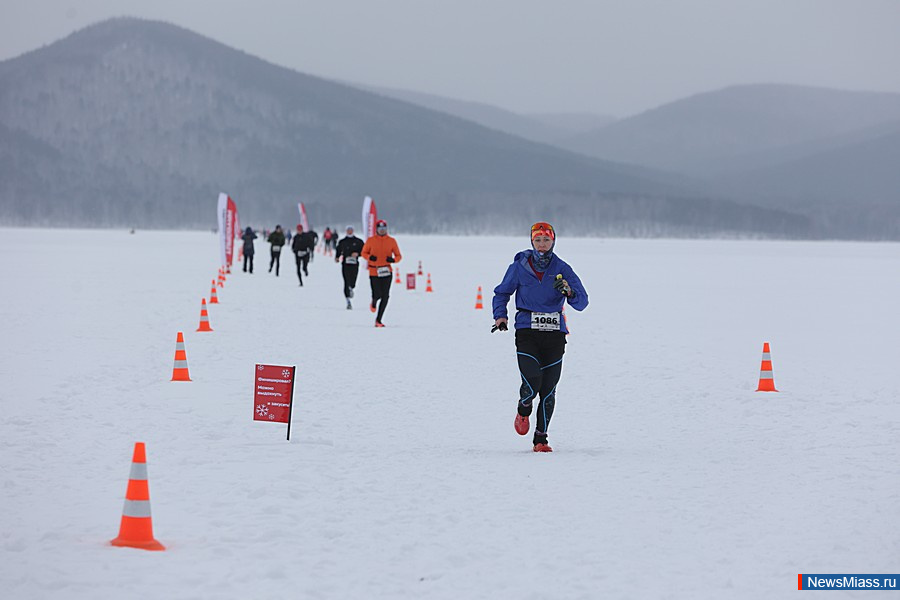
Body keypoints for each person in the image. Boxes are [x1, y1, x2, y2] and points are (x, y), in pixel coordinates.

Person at [492, 222, 588, 453]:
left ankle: (541, 439)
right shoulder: (519, 266)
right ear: (531, 242)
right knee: (532, 380)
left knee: (548, 389)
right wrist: (500, 316)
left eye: (546, 240)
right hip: (527, 331)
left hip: (555, 334)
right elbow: (502, 293)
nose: (542, 244)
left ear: (553, 241)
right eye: (538, 240)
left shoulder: (562, 268)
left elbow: (582, 302)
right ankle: (524, 407)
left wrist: (569, 291)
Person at [361, 219, 402, 327]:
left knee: (386, 296)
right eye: (380, 229)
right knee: (377, 294)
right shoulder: (371, 240)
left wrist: (393, 260)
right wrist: (370, 257)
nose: (382, 231)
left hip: (387, 271)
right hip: (374, 271)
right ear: (377, 229)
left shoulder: (392, 241)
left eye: (384, 229)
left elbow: (399, 256)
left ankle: (378, 320)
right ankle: (374, 301)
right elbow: (363, 253)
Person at [335, 226, 365, 309]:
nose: (349, 232)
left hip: (354, 264)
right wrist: (337, 257)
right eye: (348, 230)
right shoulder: (342, 242)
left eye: (351, 230)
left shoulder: (358, 241)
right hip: (345, 264)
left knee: (353, 282)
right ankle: (348, 300)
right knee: (346, 281)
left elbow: (364, 251)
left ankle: (351, 288)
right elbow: (338, 250)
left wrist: (358, 254)